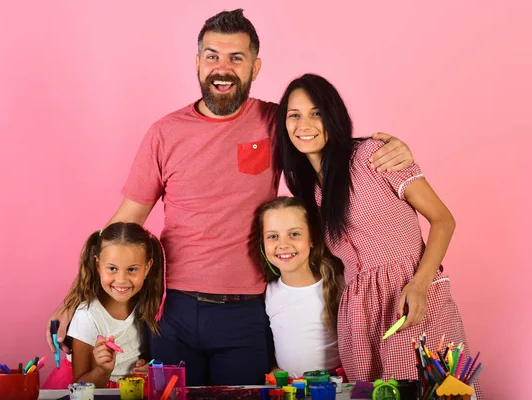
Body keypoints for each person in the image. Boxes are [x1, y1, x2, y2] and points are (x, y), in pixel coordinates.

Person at [46, 9, 414, 386]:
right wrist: (78, 293)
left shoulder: (276, 121)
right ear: (197, 63)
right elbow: (124, 223)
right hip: (175, 309)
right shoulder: (164, 133)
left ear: (255, 68)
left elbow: (321, 134)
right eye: (212, 56)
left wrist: (377, 146)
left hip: (247, 312)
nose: (222, 68)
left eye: (236, 58)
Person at [275, 73, 482, 397]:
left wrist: (419, 284)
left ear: (333, 115)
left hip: (411, 298)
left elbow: (443, 220)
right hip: (359, 319)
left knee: (441, 392)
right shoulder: (309, 193)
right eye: (295, 115)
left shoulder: (373, 156)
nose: (305, 124)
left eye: (316, 113)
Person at [43, 222, 165, 389]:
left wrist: (145, 368)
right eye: (112, 268)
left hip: (128, 390)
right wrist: (103, 369)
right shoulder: (88, 316)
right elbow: (80, 385)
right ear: (98, 265)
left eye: (132, 270)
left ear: (147, 267)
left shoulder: (146, 304)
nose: (121, 279)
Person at [250, 196, 344, 378]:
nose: (283, 244)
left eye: (294, 234)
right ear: (262, 243)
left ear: (312, 239)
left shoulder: (339, 285)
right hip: (289, 390)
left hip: (334, 388)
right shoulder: (266, 294)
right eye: (272, 236)